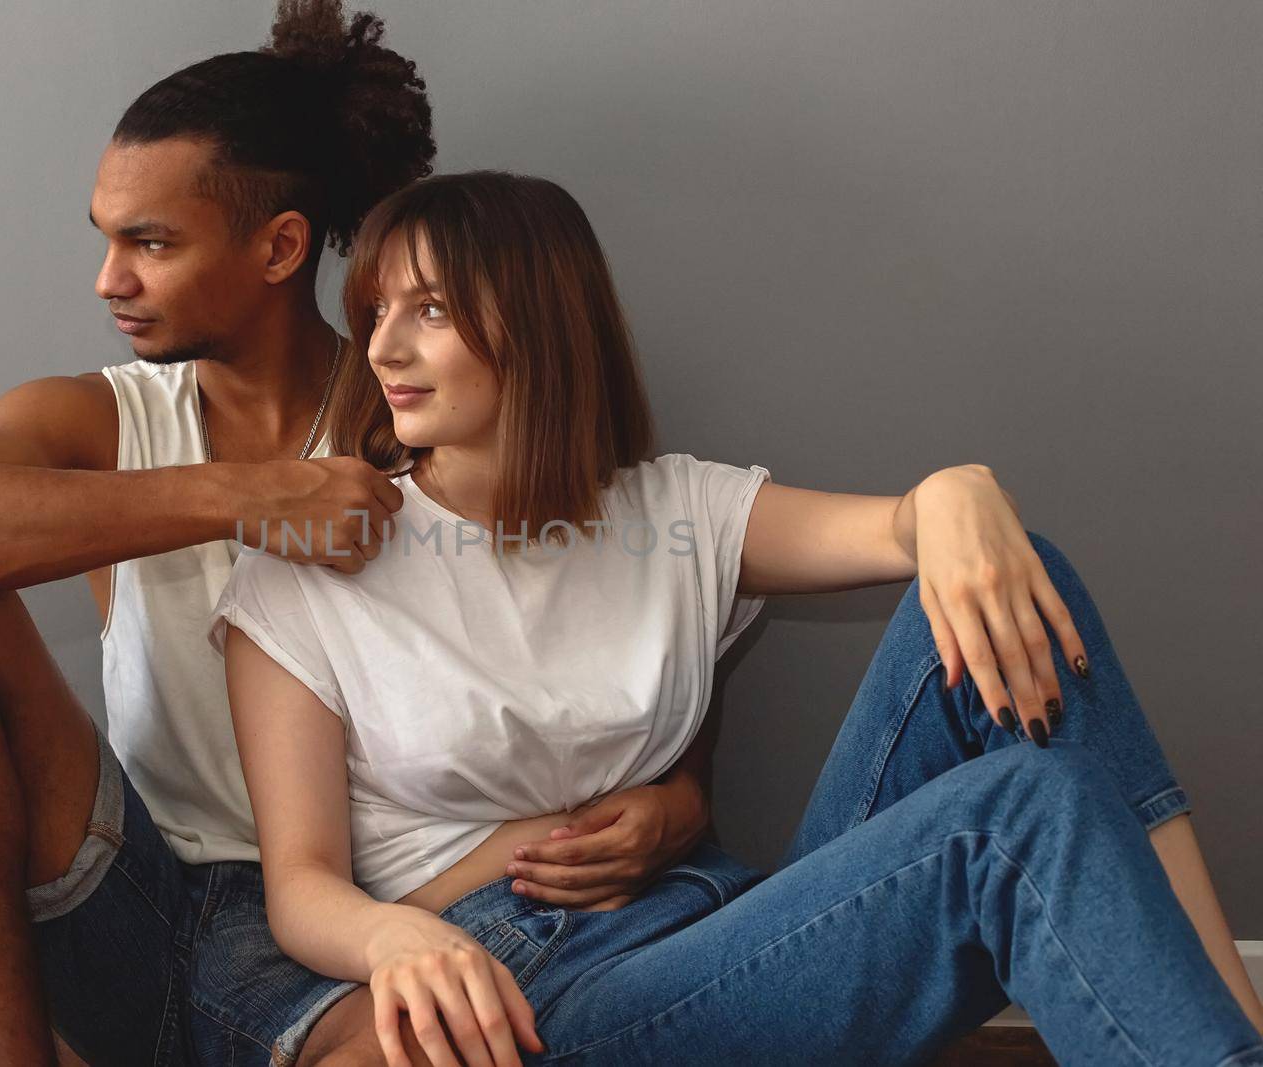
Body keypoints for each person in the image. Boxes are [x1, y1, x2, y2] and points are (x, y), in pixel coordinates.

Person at [208, 169, 1263, 1067]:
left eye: (429, 310)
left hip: (723, 919)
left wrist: (952, 491)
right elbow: (299, 887)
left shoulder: (667, 509)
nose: (384, 346)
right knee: (1011, 813)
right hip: (545, 992)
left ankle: (1230, 1028)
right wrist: (399, 940)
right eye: (376, 309)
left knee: (1021, 577)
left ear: (534, 321)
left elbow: (907, 531)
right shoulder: (315, 562)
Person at [0, 4, 655, 1064]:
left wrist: (671, 806)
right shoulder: (98, 417)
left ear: (279, 246)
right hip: (140, 888)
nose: (109, 279)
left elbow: (618, 621)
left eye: (152, 242)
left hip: (367, 903)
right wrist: (244, 495)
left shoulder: (418, 405)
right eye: (107, 237)